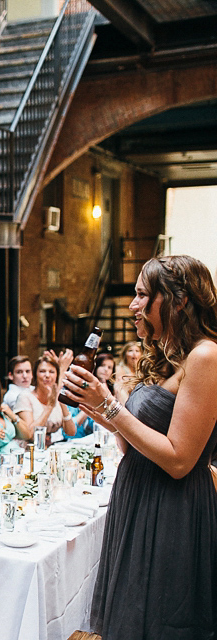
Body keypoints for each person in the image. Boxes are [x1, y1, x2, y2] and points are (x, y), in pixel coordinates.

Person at [63, 255, 217, 639]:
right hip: (137, 498)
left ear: (178, 301)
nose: (132, 306)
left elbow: (180, 459)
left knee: (162, 620)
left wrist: (113, 407)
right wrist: (100, 411)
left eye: (142, 295)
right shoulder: (169, 357)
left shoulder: (206, 356)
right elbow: (135, 447)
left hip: (173, 509)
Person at [14, 350, 76, 443]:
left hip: (49, 449)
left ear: (56, 375)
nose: (47, 375)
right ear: (35, 374)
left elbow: (71, 432)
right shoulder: (25, 397)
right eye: (42, 371)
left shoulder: (57, 395)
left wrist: (62, 403)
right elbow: (30, 435)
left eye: (51, 372)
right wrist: (50, 406)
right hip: (28, 450)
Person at [64, 353, 116, 440]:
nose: (106, 370)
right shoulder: (80, 388)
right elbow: (70, 429)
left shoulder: (112, 391)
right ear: (95, 366)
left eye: (109, 367)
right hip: (77, 439)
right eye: (103, 365)